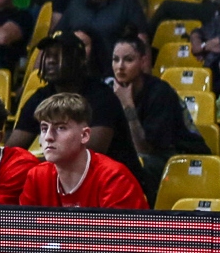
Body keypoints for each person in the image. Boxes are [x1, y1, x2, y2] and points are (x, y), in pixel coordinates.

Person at [9, 33, 144, 182]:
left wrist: (33, 166)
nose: (51, 61)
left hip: (115, 183)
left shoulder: (101, 96)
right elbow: (13, 150)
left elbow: (89, 155)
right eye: (48, 55)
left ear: (79, 60)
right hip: (69, 183)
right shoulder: (41, 97)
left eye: (60, 55)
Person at [108, 32, 204, 198]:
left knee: (134, 165)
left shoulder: (160, 93)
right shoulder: (109, 90)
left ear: (143, 61)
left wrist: (127, 105)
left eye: (128, 60)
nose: (120, 66)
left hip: (181, 158)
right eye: (115, 59)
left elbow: (145, 149)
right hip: (145, 157)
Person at [18, 92, 147, 209]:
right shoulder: (36, 176)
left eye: (61, 128)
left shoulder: (115, 178)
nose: (48, 137)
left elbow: (121, 235)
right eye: (44, 128)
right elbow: (24, 232)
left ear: (84, 135)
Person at [59, 0, 148, 78]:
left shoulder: (127, 3)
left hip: (116, 76)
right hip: (78, 77)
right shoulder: (75, 5)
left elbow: (141, 41)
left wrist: (146, 79)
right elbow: (56, 38)